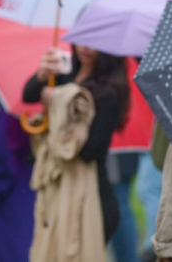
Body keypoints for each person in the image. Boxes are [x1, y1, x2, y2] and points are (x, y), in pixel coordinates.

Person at [23, 45, 130, 243]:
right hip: (59, 191)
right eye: (82, 39)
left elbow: (89, 150)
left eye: (95, 42)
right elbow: (28, 95)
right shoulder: (65, 71)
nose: (86, 47)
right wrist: (42, 74)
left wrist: (59, 101)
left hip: (91, 196)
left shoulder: (109, 91)